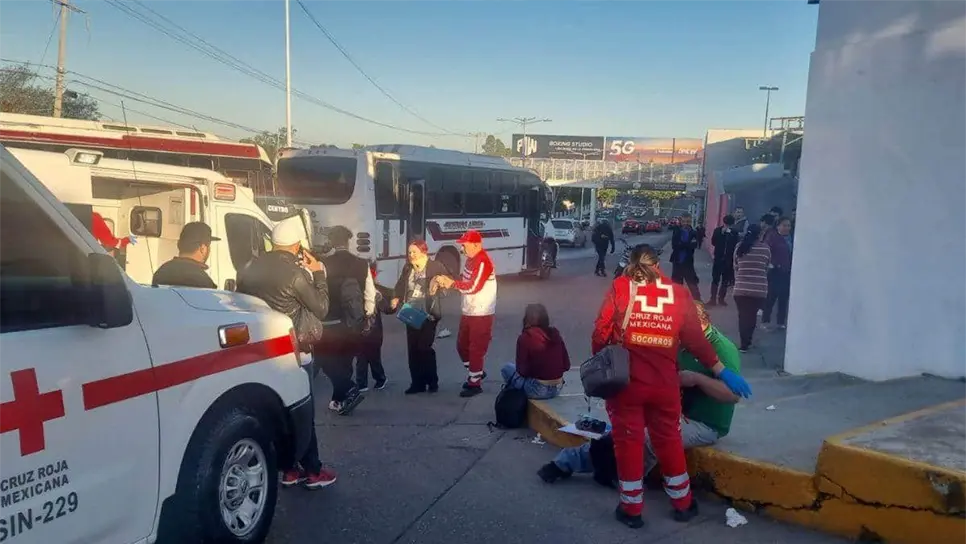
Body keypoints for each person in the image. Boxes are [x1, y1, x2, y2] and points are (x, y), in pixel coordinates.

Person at [590, 244, 751, 528]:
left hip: (628, 385)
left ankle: (631, 510)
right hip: (665, 386)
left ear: (631, 263)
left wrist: (603, 355)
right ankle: (683, 504)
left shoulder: (621, 287)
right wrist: (722, 371)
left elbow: (601, 330)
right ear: (658, 265)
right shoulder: (678, 292)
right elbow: (696, 340)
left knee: (628, 443)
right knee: (669, 441)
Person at [539, 301, 742, 486]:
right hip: (671, 410)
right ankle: (565, 463)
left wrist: (697, 379)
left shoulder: (722, 348)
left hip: (703, 423)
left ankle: (627, 480)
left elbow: (733, 395)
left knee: (652, 436)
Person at [236, 216, 336, 489]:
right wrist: (318, 274)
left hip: (261, 349)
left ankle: (288, 469)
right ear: (296, 246)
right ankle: (313, 470)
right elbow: (322, 308)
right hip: (295, 350)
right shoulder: (296, 274)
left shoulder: (249, 267)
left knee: (275, 411)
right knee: (301, 410)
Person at [317, 225, 375, 415]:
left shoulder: (323, 263)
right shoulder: (362, 263)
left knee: (326, 360)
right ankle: (339, 399)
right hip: (354, 320)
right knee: (345, 360)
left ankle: (347, 391)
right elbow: (369, 293)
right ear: (348, 241)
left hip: (330, 320)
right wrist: (368, 316)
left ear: (332, 242)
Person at [433, 229, 497, 398]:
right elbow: (465, 282)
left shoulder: (483, 261)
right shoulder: (470, 260)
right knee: (462, 346)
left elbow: (474, 287)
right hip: (469, 310)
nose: (462, 249)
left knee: (475, 349)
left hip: (482, 312)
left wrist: (452, 284)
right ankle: (476, 373)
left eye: (465, 245)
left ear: (477, 245)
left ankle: (474, 383)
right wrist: (449, 283)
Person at [392, 239, 447, 394]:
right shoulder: (408, 267)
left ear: (423, 251)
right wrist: (395, 297)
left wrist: (440, 282)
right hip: (411, 311)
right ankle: (417, 383)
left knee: (424, 347)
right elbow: (401, 284)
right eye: (409, 252)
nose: (411, 255)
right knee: (413, 349)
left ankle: (432, 381)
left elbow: (448, 282)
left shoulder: (435, 266)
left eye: (414, 252)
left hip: (429, 313)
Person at [500, 303, 570, 400]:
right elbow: (566, 365)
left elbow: (522, 371)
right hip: (557, 388)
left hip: (537, 389)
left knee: (506, 368)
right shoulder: (555, 334)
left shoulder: (525, 337)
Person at [732, 225, 771, 352]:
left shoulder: (739, 247)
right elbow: (766, 267)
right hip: (758, 290)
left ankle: (743, 344)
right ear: (760, 235)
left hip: (741, 288)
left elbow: (736, 266)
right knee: (752, 316)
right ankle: (748, 341)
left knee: (743, 316)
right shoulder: (765, 249)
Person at [151, 222, 218, 289]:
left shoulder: (161, 273)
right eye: (208, 246)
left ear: (178, 244)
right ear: (202, 248)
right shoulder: (203, 281)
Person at [356, 279, 388, 393]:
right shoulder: (368, 292)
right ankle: (362, 382)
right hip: (366, 329)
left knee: (372, 356)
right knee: (362, 357)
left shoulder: (374, 293)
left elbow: (386, 308)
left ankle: (379, 379)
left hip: (373, 329)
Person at [761, 216, 793, 330]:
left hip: (788, 272)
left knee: (784, 298)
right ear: (778, 226)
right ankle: (765, 320)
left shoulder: (792, 238)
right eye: (784, 225)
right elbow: (765, 251)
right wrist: (773, 264)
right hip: (774, 272)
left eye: (788, 225)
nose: (787, 228)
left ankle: (780, 322)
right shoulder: (773, 237)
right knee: (770, 297)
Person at [708, 215, 740, 306]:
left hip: (728, 260)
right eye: (727, 224)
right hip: (718, 258)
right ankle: (712, 299)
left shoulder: (734, 232)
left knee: (725, 281)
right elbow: (713, 242)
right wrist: (721, 234)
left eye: (730, 225)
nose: (728, 226)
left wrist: (730, 234)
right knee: (715, 279)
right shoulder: (718, 230)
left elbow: (735, 244)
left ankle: (721, 299)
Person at [669, 213, 701, 300]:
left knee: (692, 284)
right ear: (681, 221)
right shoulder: (677, 230)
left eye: (688, 221)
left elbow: (694, 246)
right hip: (677, 261)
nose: (686, 223)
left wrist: (682, 244)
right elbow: (674, 245)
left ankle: (699, 303)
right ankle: (677, 302)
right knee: (676, 285)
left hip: (688, 262)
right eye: (684, 221)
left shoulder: (694, 232)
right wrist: (687, 244)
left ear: (690, 221)